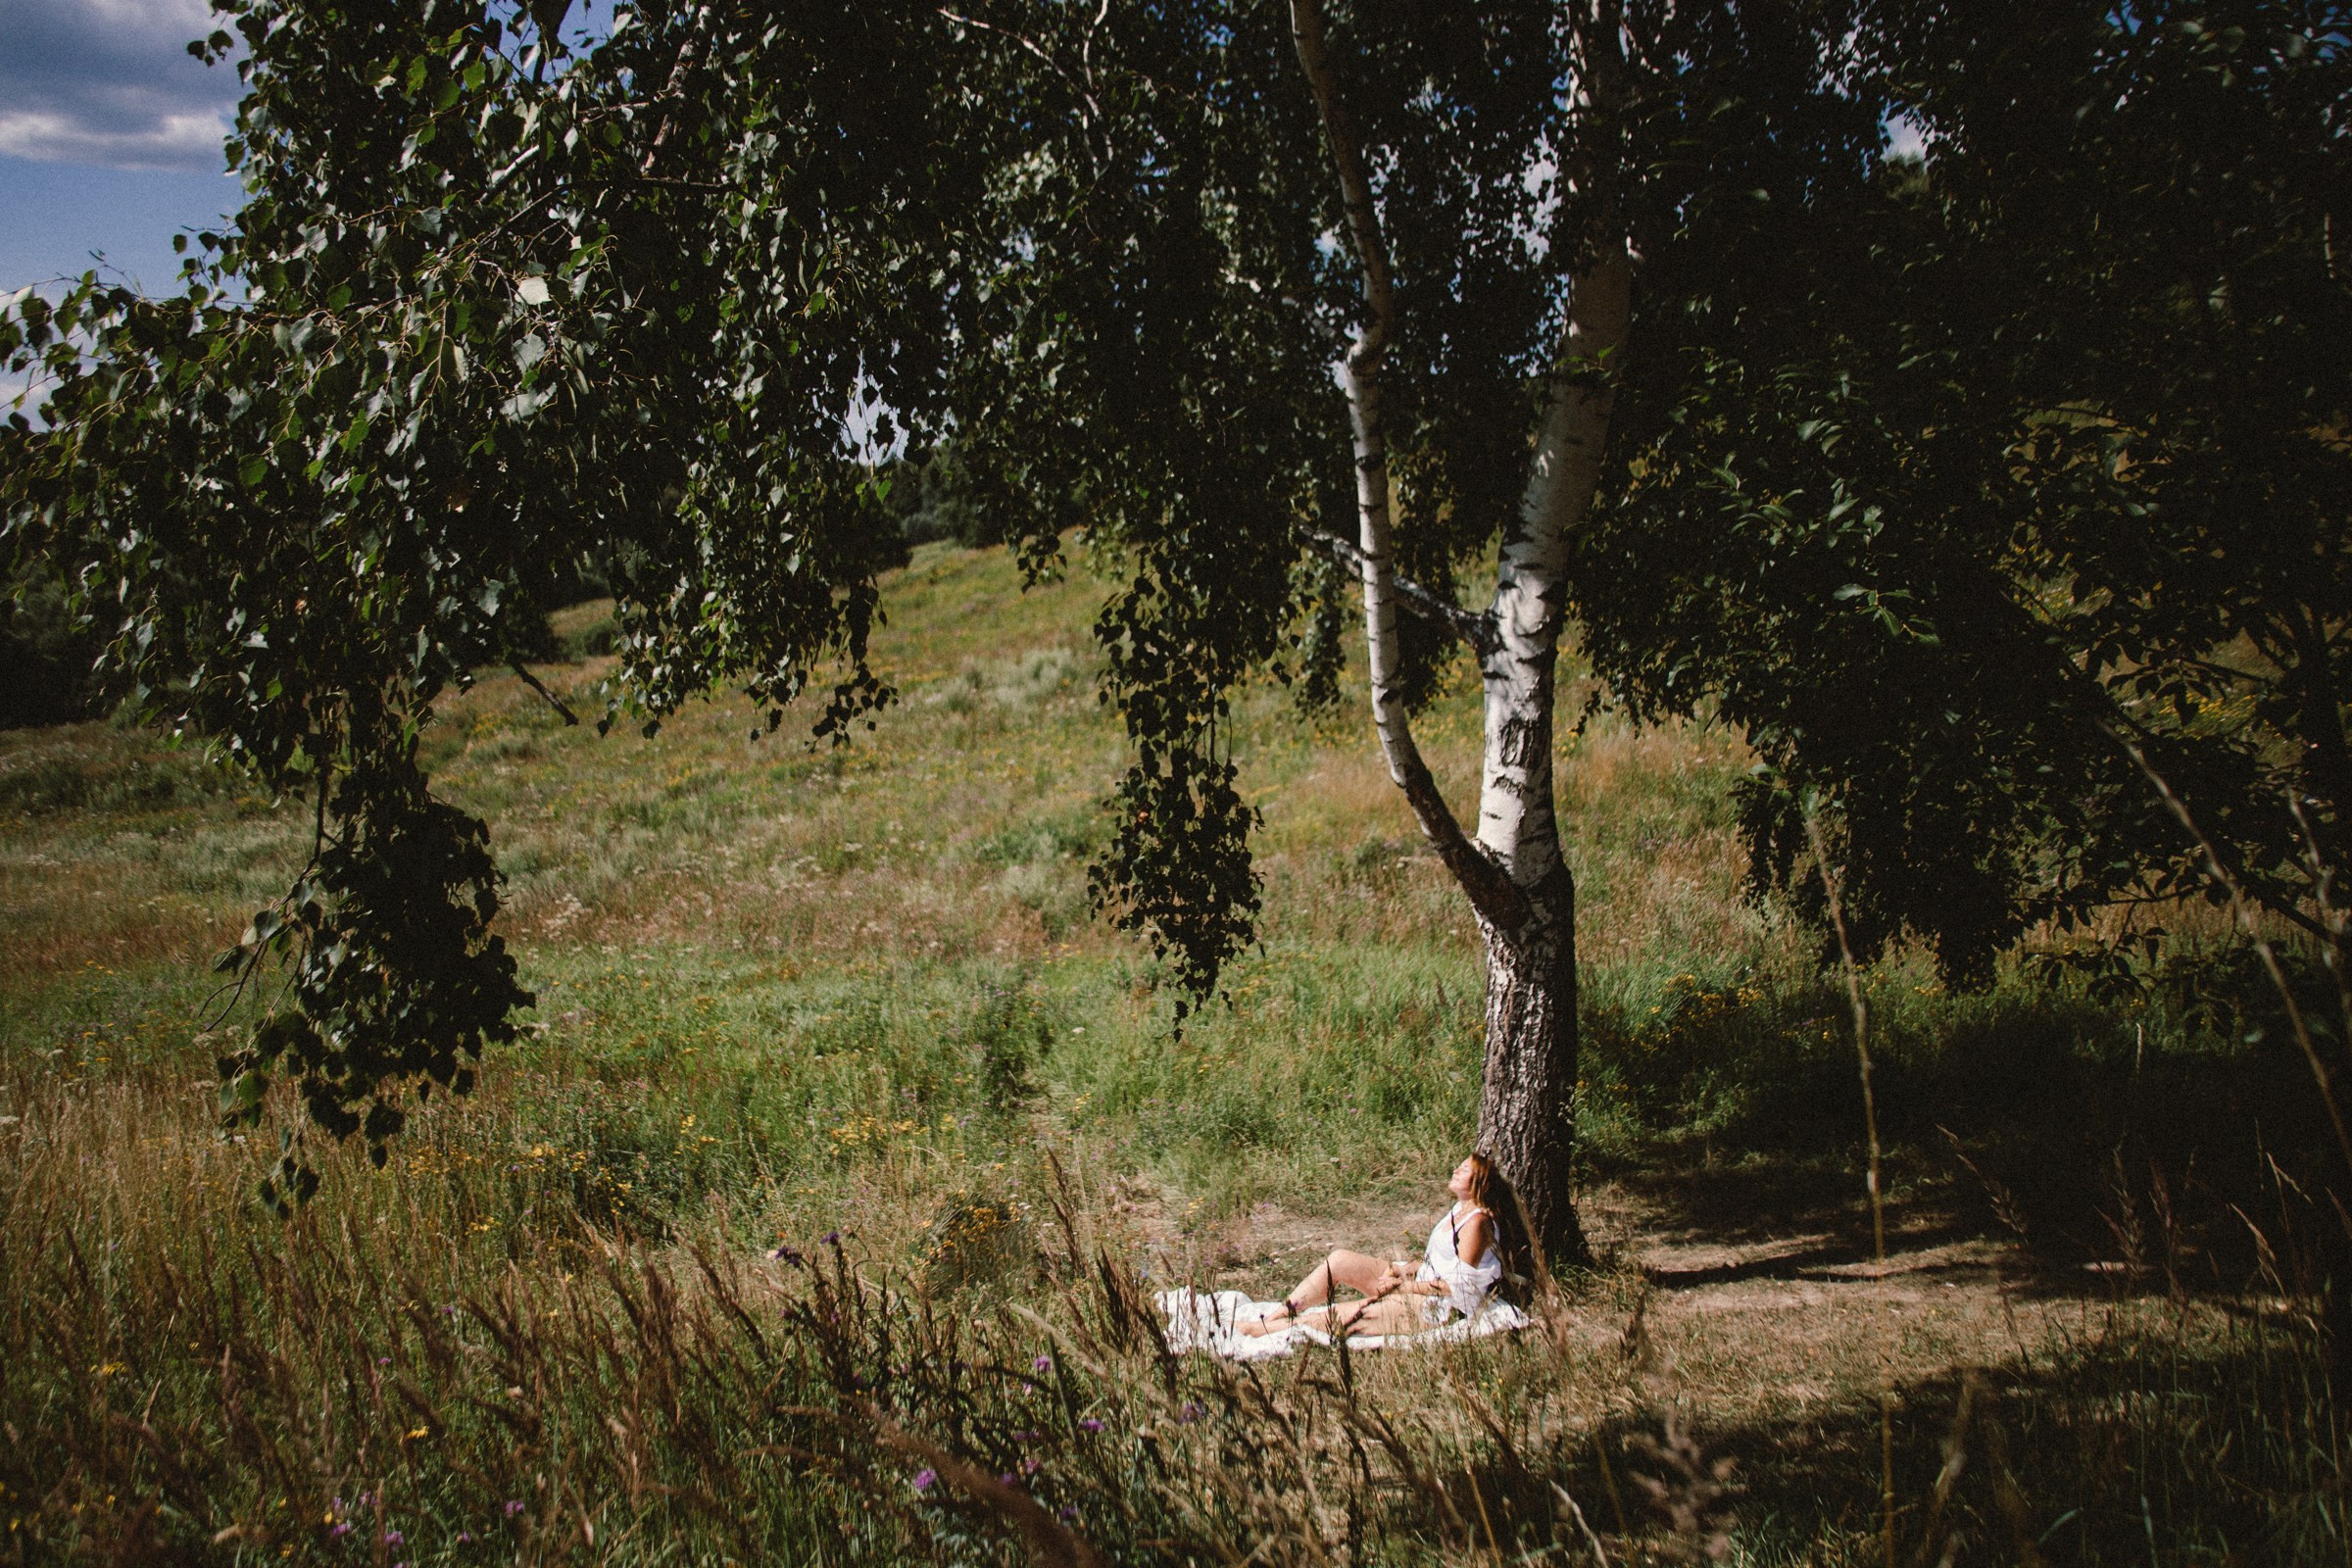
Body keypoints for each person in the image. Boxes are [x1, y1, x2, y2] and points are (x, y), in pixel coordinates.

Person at [1241, 1152, 1517, 1338]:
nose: (1456, 1170)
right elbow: (1438, 1263)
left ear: (1478, 1181)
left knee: (1347, 1313)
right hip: (1417, 1284)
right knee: (1339, 1260)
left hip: (1441, 1308)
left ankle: (1264, 1331)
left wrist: (1403, 1287)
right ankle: (1279, 1314)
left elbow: (1458, 1286)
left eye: (1465, 1169)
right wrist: (1403, 1271)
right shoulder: (1457, 1211)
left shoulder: (1478, 1223)